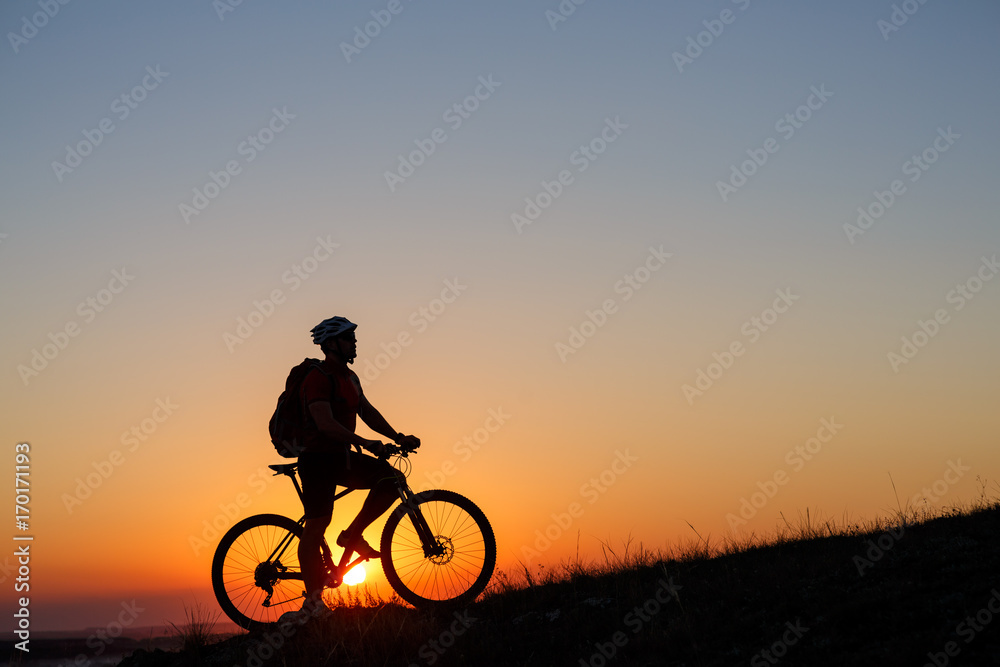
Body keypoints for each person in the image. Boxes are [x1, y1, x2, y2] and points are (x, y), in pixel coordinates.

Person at [296, 316, 420, 613]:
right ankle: (312, 603)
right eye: (348, 338)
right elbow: (325, 424)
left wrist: (396, 436)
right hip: (316, 460)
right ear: (331, 344)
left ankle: (352, 534)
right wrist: (365, 443)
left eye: (353, 338)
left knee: (391, 480)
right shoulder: (318, 377)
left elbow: (367, 411)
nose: (354, 343)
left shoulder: (350, 379)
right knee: (316, 526)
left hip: (340, 457)